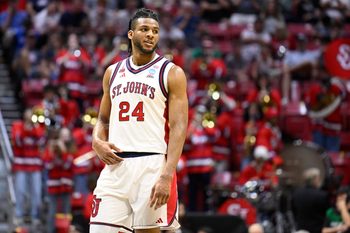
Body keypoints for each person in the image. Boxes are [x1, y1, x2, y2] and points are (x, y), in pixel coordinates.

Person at [89, 8, 188, 233]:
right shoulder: (112, 72)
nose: (151, 34)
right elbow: (103, 118)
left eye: (155, 31)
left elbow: (179, 127)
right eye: (144, 29)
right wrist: (96, 141)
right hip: (115, 167)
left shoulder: (171, 73)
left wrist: (167, 174)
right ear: (131, 34)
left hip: (151, 165)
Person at [292, 168, 331, 233]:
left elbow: (294, 211)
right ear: (315, 179)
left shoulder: (296, 193)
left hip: (301, 228)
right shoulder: (322, 195)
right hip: (317, 229)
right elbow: (327, 213)